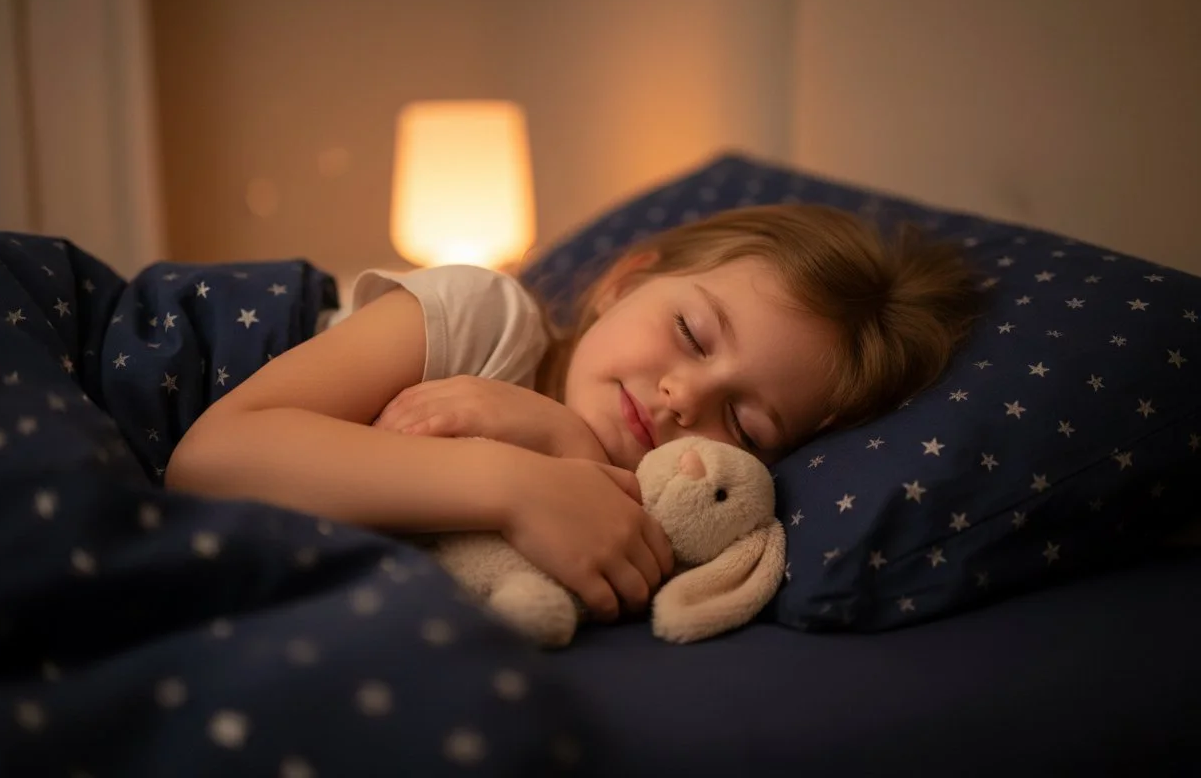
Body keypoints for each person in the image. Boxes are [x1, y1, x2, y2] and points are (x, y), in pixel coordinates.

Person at [166, 204, 981, 622]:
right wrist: (510, 481)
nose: (684, 399)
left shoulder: (651, 516)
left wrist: (558, 445)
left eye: (744, 425)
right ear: (624, 282)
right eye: (691, 333)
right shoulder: (487, 317)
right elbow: (210, 462)